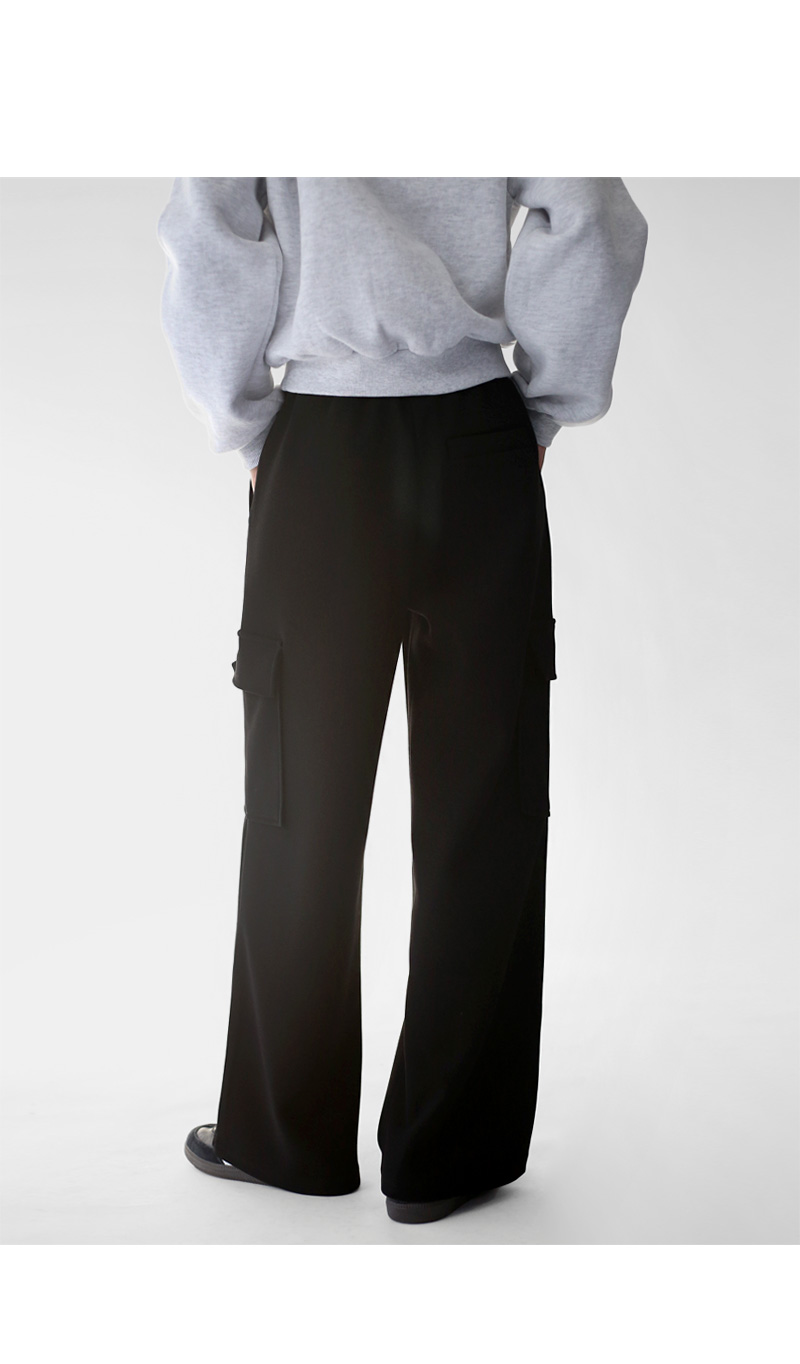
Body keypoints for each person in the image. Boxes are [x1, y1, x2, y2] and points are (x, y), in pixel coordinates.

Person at [158, 178, 647, 1220]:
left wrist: (242, 420)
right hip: (478, 442)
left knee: (296, 808)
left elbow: (211, 221)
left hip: (319, 449)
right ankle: (449, 1156)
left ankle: (286, 1137)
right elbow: (586, 209)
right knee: (486, 809)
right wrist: (547, 400)